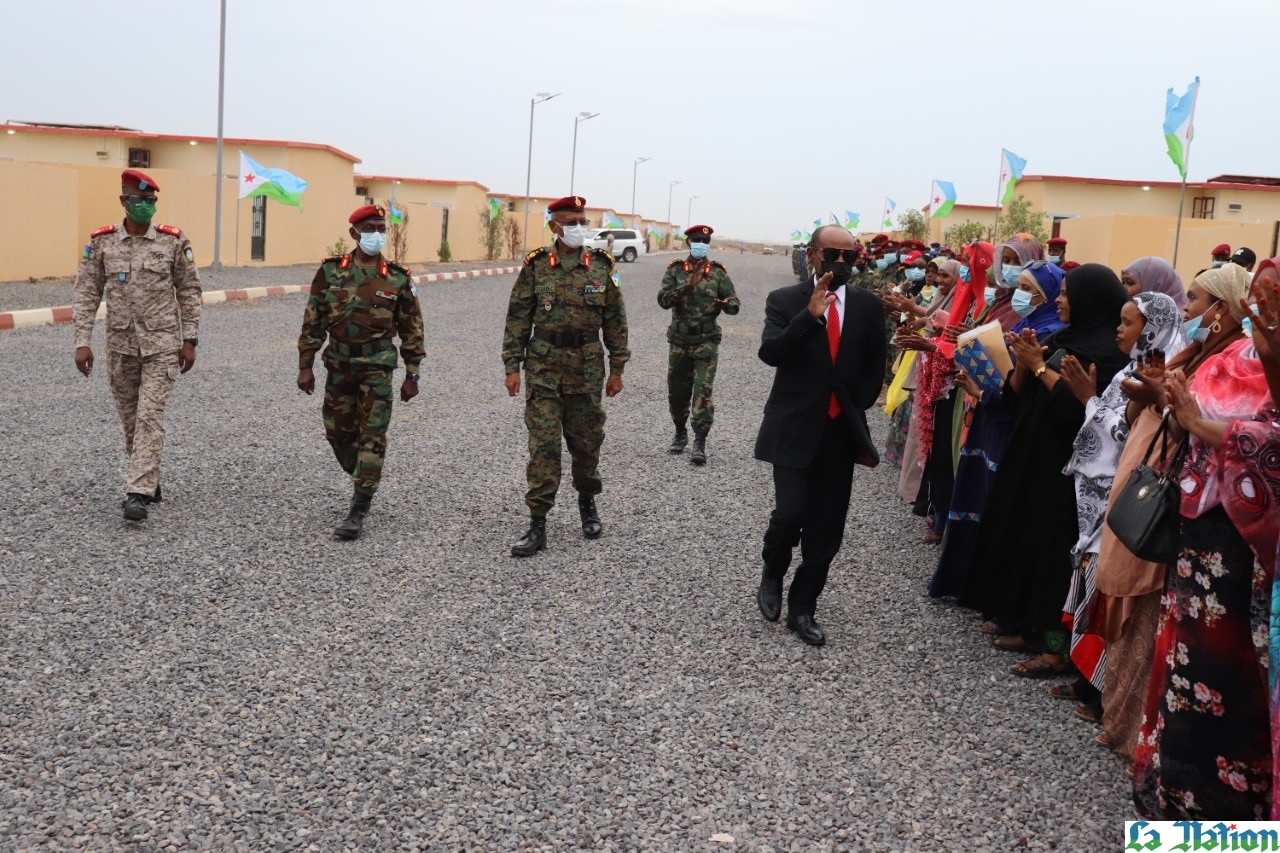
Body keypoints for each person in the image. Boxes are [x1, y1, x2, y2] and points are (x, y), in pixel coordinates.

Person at [1091, 263, 1250, 758]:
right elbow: (1155, 416)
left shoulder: (1234, 364)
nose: (1187, 310)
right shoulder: (1191, 353)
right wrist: (1151, 394)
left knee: (1155, 622)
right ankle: (1118, 722)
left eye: (1197, 300)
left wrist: (1165, 398)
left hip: (1192, 510)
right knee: (1136, 615)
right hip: (1156, 489)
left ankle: (1140, 737)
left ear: (1221, 310)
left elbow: (1202, 431)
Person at [1132, 317, 1276, 819]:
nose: (1263, 318)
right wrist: (1172, 404)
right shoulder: (1222, 361)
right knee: (1185, 664)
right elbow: (1182, 430)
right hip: (1197, 537)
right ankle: (1178, 798)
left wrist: (1199, 424)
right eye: (1258, 304)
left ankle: (1235, 817)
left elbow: (1270, 445)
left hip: (1252, 553)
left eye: (1272, 305)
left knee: (1238, 682)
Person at [961, 264, 1130, 675]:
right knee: (1026, 539)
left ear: (1090, 300)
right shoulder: (1062, 339)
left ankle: (1055, 646)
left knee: (1054, 552)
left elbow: (1079, 414)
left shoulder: (1106, 353)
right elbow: (1020, 398)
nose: (1059, 300)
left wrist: (1039, 367)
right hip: (1031, 458)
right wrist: (1024, 364)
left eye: (1068, 294)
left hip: (1067, 474)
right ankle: (1025, 622)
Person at [753, 225, 886, 646]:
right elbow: (771, 352)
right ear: (813, 255)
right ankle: (772, 573)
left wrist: (854, 405)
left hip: (839, 431)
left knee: (827, 528)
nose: (841, 263)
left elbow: (874, 365)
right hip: (793, 426)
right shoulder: (786, 300)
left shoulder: (868, 306)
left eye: (850, 256)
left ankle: (803, 607)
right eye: (832, 254)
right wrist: (808, 318)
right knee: (790, 514)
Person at [1056, 292, 1184, 722]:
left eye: (1128, 323)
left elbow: (1125, 434)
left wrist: (1089, 400)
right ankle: (1087, 679)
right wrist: (1095, 399)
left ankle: (1102, 691)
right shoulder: (1130, 372)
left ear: (1149, 330)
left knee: (1110, 592)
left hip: (1127, 495)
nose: (1119, 328)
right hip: (1102, 494)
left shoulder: (1160, 377)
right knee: (1093, 582)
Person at [502, 196, 629, 557]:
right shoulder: (537, 265)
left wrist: (617, 368)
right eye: (571, 221)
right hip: (543, 368)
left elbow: (616, 321)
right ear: (554, 225)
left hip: (587, 370)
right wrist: (511, 366)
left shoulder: (602, 266)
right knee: (543, 447)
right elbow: (518, 317)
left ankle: (587, 503)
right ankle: (537, 523)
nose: (578, 227)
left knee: (586, 444)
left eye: (582, 220)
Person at [72, 169, 201, 521]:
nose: (145, 206)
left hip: (162, 346)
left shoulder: (173, 242)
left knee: (149, 417)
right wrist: (83, 341)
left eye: (150, 201)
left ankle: (137, 493)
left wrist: (189, 339)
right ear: (123, 202)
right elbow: (86, 293)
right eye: (138, 200)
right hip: (120, 346)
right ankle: (148, 475)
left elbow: (189, 291)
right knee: (130, 419)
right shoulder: (102, 242)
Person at [297, 205, 424, 540]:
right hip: (338, 365)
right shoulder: (330, 271)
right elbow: (314, 319)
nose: (377, 235)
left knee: (372, 434)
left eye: (382, 228)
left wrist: (413, 374)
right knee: (337, 433)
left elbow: (412, 328)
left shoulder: (397, 277)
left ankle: (359, 505)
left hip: (378, 367)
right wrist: (305, 365)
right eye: (370, 228)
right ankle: (365, 473)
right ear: (354, 233)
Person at [657, 224, 740, 464]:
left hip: (706, 341)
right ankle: (680, 431)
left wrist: (727, 305)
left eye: (705, 240)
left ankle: (699, 441)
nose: (700, 244)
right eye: (696, 239)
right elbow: (662, 300)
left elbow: (735, 304)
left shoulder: (718, 272)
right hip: (679, 341)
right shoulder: (674, 270)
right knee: (677, 390)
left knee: (702, 390)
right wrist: (687, 286)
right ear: (688, 243)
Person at [1119, 256, 1187, 307]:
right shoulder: (1135, 318)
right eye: (1123, 282)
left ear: (1153, 287)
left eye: (1130, 283)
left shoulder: (1182, 324)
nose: (1123, 288)